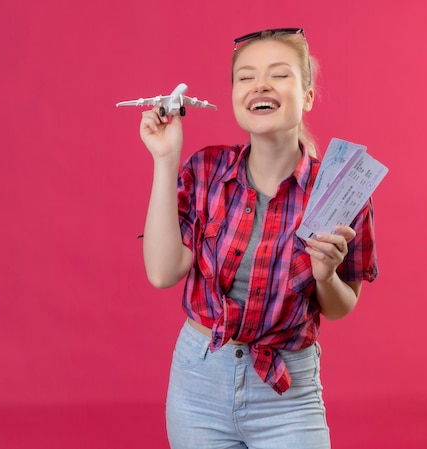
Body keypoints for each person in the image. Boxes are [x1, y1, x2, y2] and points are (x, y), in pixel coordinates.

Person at [137, 28, 378, 449]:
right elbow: (162, 272)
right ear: (234, 95)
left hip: (288, 391)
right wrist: (165, 159)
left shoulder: (340, 188)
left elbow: (342, 306)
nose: (260, 84)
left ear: (307, 96)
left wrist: (325, 276)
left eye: (279, 75)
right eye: (245, 77)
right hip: (199, 382)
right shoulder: (207, 169)